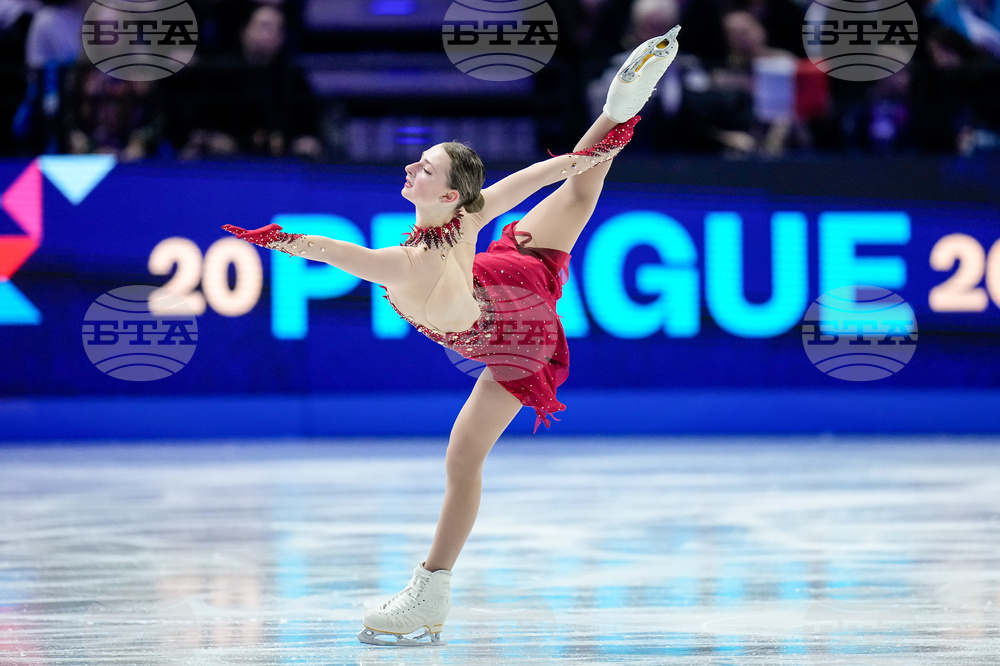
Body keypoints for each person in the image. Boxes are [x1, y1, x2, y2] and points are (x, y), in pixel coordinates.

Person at [223, 26, 681, 646]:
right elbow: (531, 180)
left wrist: (278, 238)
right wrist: (590, 151)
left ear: (447, 193)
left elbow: (336, 252)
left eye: (426, 165)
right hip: (508, 277)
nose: (411, 166)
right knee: (576, 193)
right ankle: (618, 110)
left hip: (519, 333)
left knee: (462, 458)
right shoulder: (461, 220)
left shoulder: (421, 252)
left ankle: (428, 593)